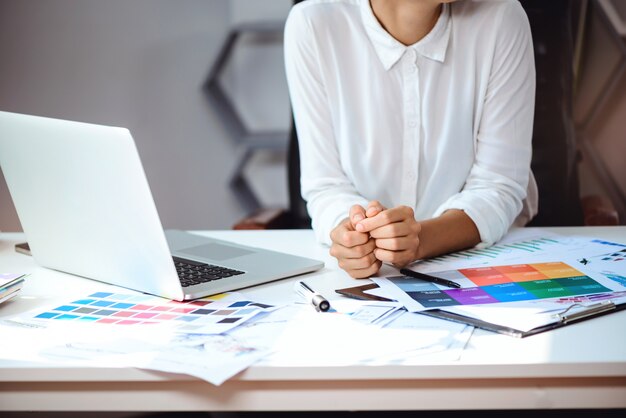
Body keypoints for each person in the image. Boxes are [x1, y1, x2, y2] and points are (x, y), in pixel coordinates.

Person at [284, 0, 538, 278]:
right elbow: (326, 187)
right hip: (364, 283)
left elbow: (499, 186)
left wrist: (419, 240)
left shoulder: (502, 18)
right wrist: (353, 235)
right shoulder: (312, 24)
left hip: (482, 266)